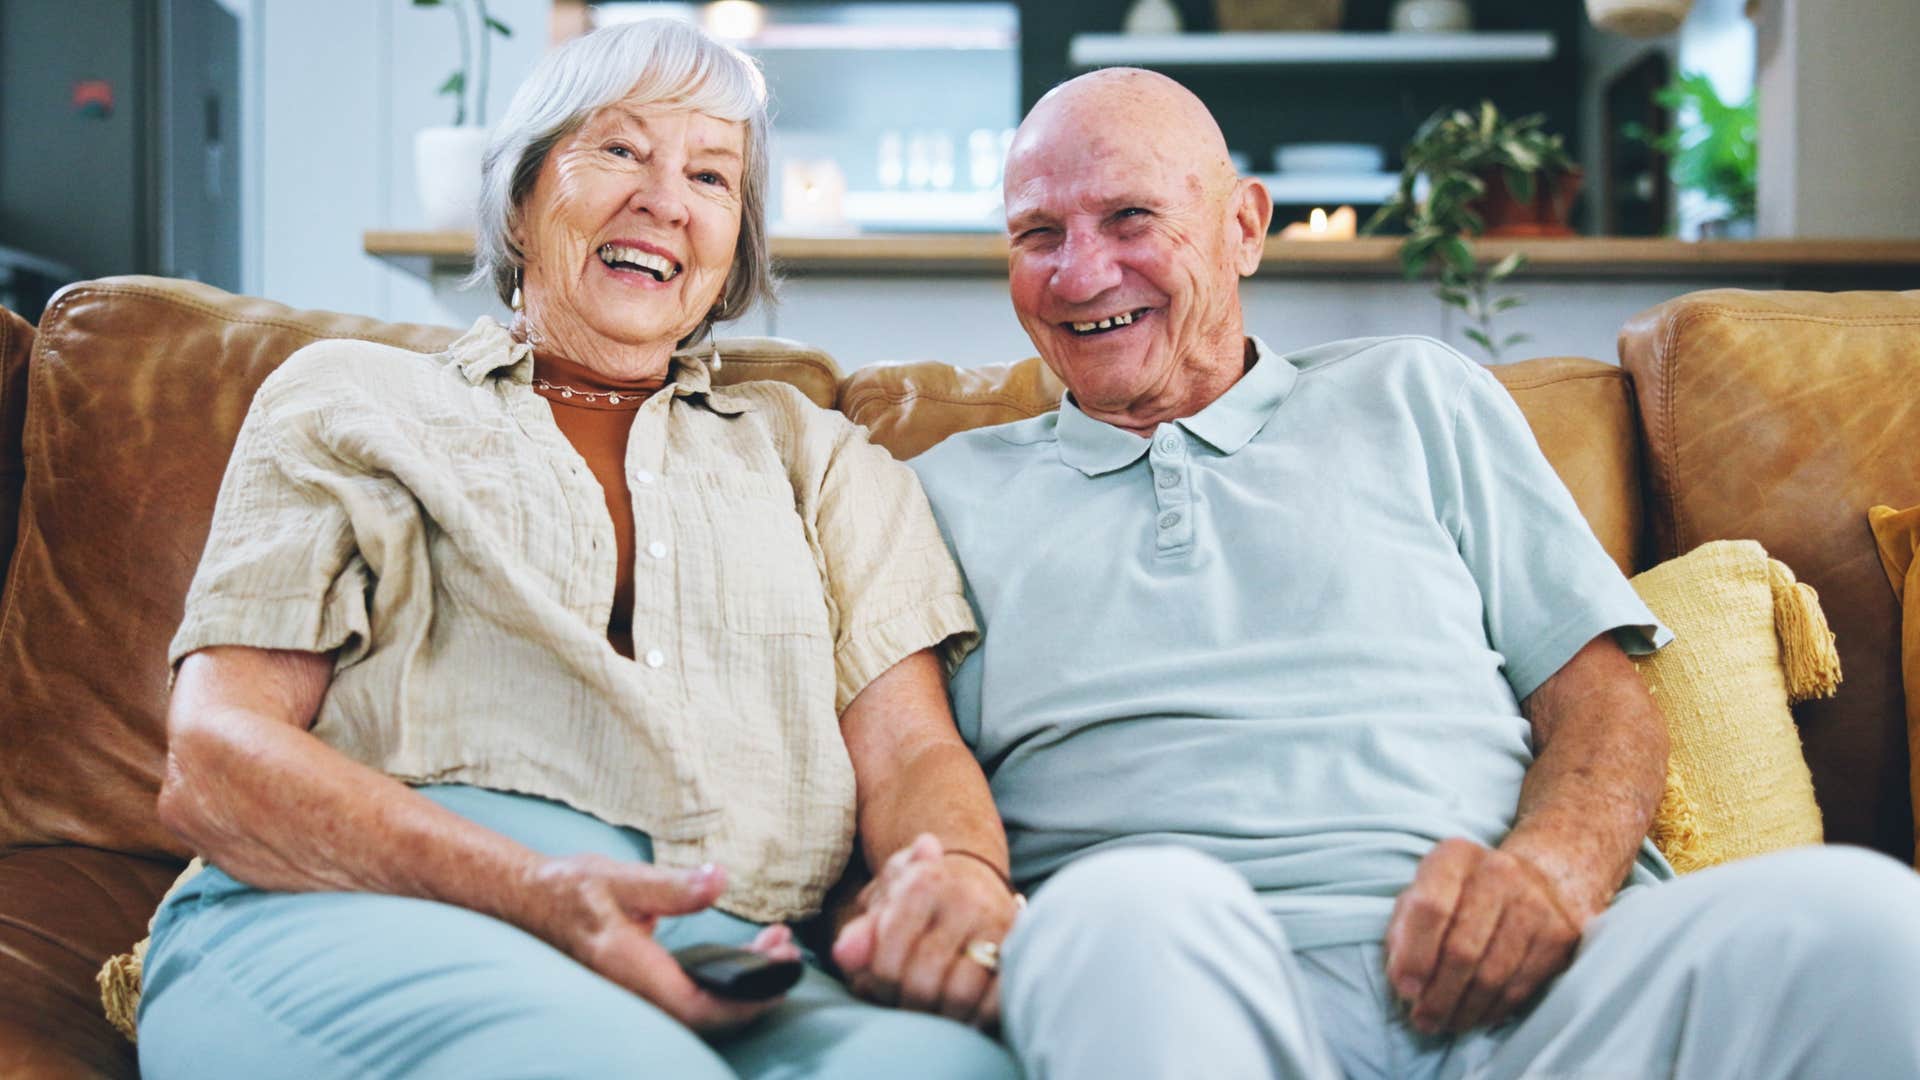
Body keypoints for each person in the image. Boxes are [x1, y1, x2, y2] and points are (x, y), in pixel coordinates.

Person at [872, 67, 1920, 1079]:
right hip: (1174, 986)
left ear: (1244, 226)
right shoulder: (935, 495)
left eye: (1132, 219)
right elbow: (903, 775)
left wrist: (1549, 875)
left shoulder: (1419, 398)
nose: (1080, 271)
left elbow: (1605, 707)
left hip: (1525, 988)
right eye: (1036, 236)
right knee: (1123, 908)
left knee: (1867, 924)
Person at [134, 20, 1019, 1079]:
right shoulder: (354, 401)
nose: (665, 199)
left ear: (734, 240)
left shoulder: (817, 460)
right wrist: (538, 889)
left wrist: (961, 871)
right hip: (374, 903)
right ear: (519, 198)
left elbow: (914, 750)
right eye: (619, 151)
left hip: (726, 953)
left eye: (710, 176)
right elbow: (215, 756)